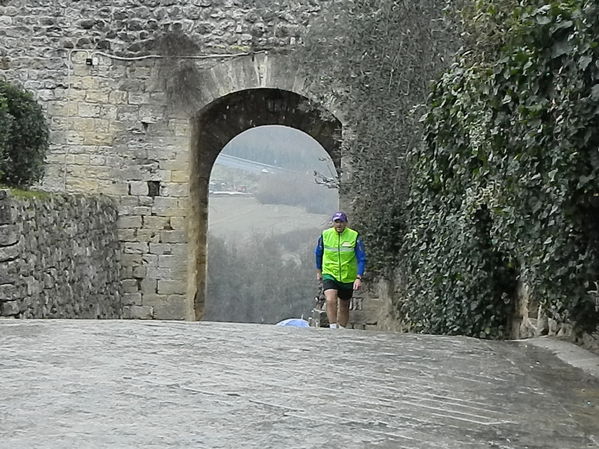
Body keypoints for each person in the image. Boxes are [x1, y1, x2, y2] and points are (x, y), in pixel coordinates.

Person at [314, 211, 366, 329]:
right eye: (336, 222)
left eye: (341, 222)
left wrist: (358, 277)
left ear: (346, 223)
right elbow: (318, 253)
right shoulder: (325, 235)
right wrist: (319, 270)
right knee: (330, 299)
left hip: (347, 276)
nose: (339, 225)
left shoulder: (354, 236)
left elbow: (362, 258)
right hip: (330, 273)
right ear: (333, 223)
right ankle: (333, 327)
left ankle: (341, 329)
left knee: (344, 305)